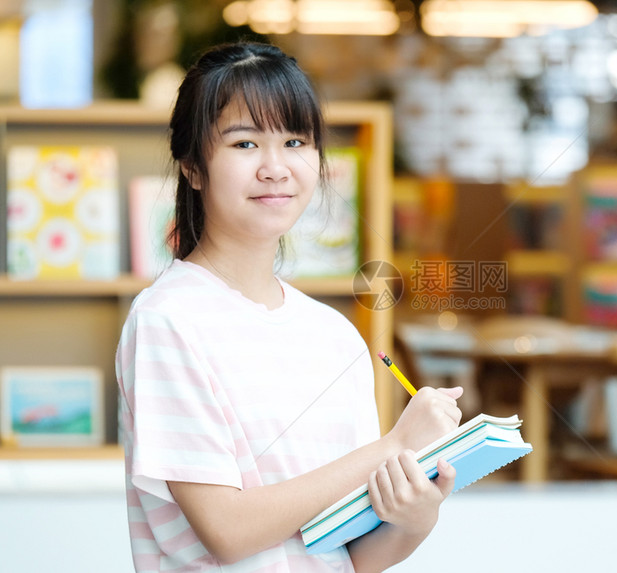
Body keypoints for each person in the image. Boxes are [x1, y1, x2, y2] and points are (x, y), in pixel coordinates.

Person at [116, 41, 463, 573]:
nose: (276, 168)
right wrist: (393, 445)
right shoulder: (169, 320)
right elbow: (227, 531)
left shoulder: (334, 334)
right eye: (244, 143)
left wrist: (416, 516)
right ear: (192, 167)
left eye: (295, 140)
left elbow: (352, 554)